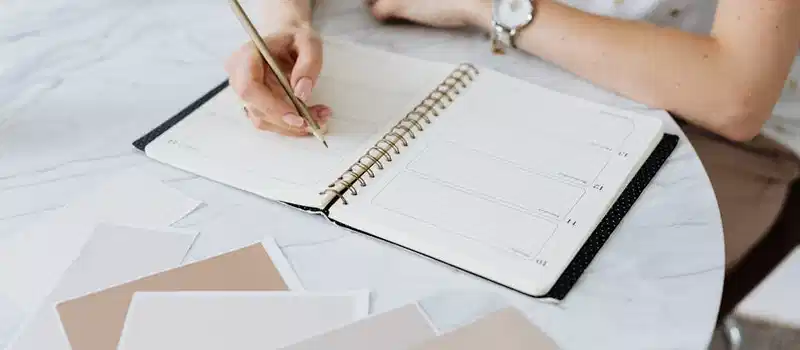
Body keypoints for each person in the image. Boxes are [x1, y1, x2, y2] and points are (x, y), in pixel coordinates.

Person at [224, 0, 800, 271]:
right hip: (476, 61)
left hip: (709, 134)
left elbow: (734, 95)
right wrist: (285, 23)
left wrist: (490, 6)